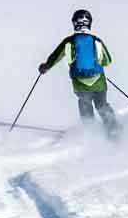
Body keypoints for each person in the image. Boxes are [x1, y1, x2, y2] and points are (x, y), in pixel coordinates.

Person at [38, 8, 118, 136]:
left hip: (79, 83)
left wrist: (45, 67)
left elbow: (56, 56)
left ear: (74, 23)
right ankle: (113, 129)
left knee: (85, 104)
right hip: (99, 82)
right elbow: (107, 61)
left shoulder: (69, 41)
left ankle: (90, 133)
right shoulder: (96, 40)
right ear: (89, 23)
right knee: (102, 105)